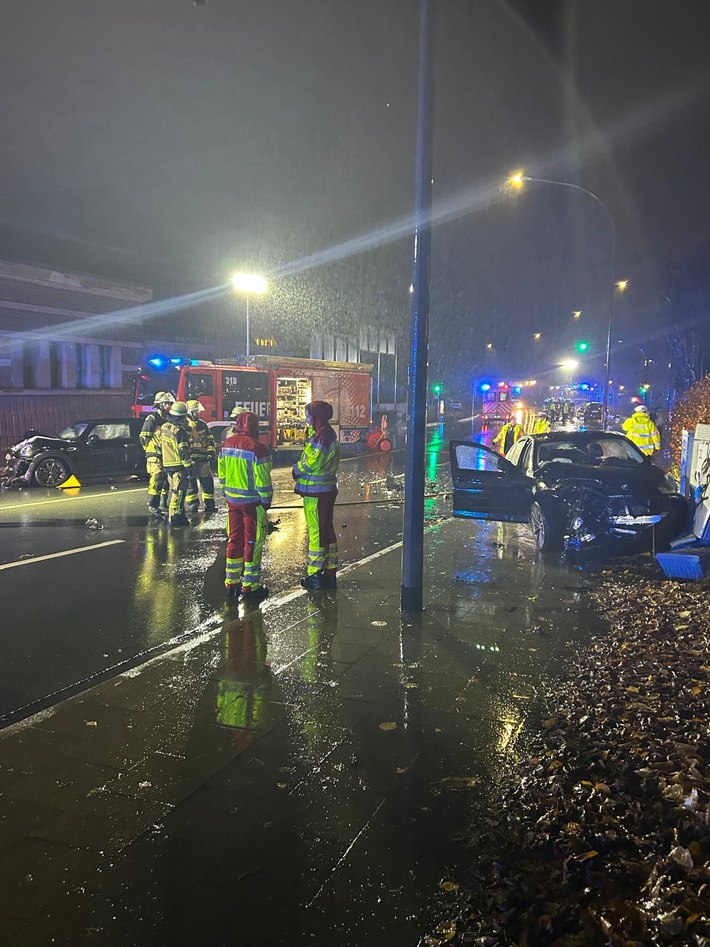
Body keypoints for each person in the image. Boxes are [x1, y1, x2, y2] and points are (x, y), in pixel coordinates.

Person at [218, 410, 273, 602]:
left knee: (234, 540)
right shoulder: (258, 448)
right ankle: (250, 586)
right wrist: (266, 503)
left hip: (233, 502)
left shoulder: (226, 444)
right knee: (252, 542)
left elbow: (222, 474)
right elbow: (263, 481)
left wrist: (227, 493)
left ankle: (231, 583)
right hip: (252, 504)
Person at [293, 401, 339, 591]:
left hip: (316, 492)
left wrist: (296, 470)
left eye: (309, 415)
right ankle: (329, 572)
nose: (306, 419)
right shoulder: (325, 433)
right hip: (325, 490)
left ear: (317, 416)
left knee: (316, 532)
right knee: (326, 530)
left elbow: (312, 461)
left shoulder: (322, 435)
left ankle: (315, 575)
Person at [140, 391, 173, 516]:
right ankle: (153, 506)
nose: (169, 406)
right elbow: (143, 437)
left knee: (165, 481)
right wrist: (150, 451)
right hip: (155, 455)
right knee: (157, 479)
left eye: (170, 403)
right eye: (167, 404)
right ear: (160, 405)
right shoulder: (152, 418)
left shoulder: (170, 419)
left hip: (166, 455)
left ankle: (163, 504)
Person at [160, 401, 193, 527]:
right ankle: (175, 516)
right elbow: (183, 451)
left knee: (173, 491)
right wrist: (189, 466)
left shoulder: (164, 427)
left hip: (167, 465)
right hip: (179, 466)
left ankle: (176, 513)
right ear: (182, 416)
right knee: (179, 492)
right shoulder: (180, 431)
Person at [185, 400, 217, 513]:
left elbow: (210, 440)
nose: (199, 414)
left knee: (207, 482)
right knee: (191, 484)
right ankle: (193, 506)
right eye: (197, 411)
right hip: (190, 460)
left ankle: (210, 505)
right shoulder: (184, 425)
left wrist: (210, 453)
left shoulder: (202, 424)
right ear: (190, 412)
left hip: (203, 460)